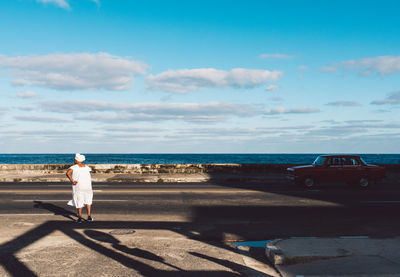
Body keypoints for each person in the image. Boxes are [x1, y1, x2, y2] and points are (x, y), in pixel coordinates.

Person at [66, 153, 93, 223]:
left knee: (79, 201)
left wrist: (72, 181)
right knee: (88, 201)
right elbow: (89, 175)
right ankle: (89, 216)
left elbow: (68, 173)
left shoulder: (74, 167)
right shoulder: (87, 167)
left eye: (75, 159)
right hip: (88, 186)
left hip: (79, 186)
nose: (74, 160)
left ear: (77, 160)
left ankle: (80, 218)